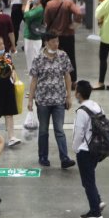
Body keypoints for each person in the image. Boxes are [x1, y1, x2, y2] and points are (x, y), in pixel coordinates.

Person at [28, 32, 76, 168]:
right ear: (46, 42)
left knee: (59, 130)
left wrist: (68, 95)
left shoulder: (63, 56)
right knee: (43, 130)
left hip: (59, 100)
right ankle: (43, 156)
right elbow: (34, 80)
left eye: (57, 41)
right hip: (42, 101)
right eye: (54, 41)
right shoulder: (38, 58)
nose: (56, 44)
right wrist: (30, 100)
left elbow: (67, 76)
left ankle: (65, 158)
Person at [72, 80, 106, 218]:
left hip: (85, 150)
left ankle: (95, 212)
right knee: (89, 179)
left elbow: (79, 133)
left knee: (88, 181)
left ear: (78, 94)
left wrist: (75, 149)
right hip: (97, 148)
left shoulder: (82, 111)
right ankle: (97, 201)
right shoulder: (96, 106)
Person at [44, 0, 82, 89]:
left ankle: (55, 80)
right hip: (68, 35)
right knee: (70, 57)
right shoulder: (68, 3)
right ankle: (73, 81)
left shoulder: (49, 4)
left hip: (54, 37)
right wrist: (74, 24)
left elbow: (46, 22)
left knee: (54, 58)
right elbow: (78, 13)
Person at [23, 0, 45, 71]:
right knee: (30, 63)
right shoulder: (34, 7)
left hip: (33, 39)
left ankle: (34, 82)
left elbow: (26, 15)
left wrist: (28, 3)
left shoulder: (39, 9)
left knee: (33, 64)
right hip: (29, 37)